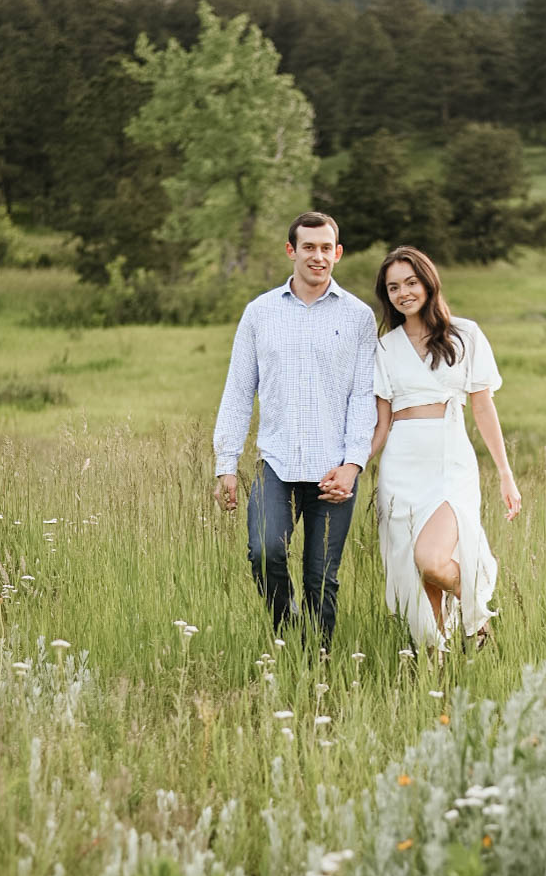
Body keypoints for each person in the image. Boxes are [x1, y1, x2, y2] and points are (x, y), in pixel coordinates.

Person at [213, 212, 377, 644]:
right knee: (265, 552)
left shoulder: (360, 318)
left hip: (333, 472)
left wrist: (354, 465)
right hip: (278, 465)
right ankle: (287, 634)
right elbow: (237, 390)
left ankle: (316, 667)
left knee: (322, 579)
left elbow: (364, 396)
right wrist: (226, 463)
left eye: (326, 248)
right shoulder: (259, 313)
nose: (318, 256)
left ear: (338, 254)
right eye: (309, 247)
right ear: (292, 251)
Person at [368, 246, 521, 651]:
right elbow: (382, 423)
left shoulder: (464, 334)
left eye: (411, 282)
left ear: (428, 282)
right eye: (393, 287)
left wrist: (505, 473)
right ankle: (437, 662)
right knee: (417, 575)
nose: (404, 293)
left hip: (449, 460)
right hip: (400, 465)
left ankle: (477, 612)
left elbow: (483, 406)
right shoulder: (385, 347)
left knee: (432, 559)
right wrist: (352, 466)